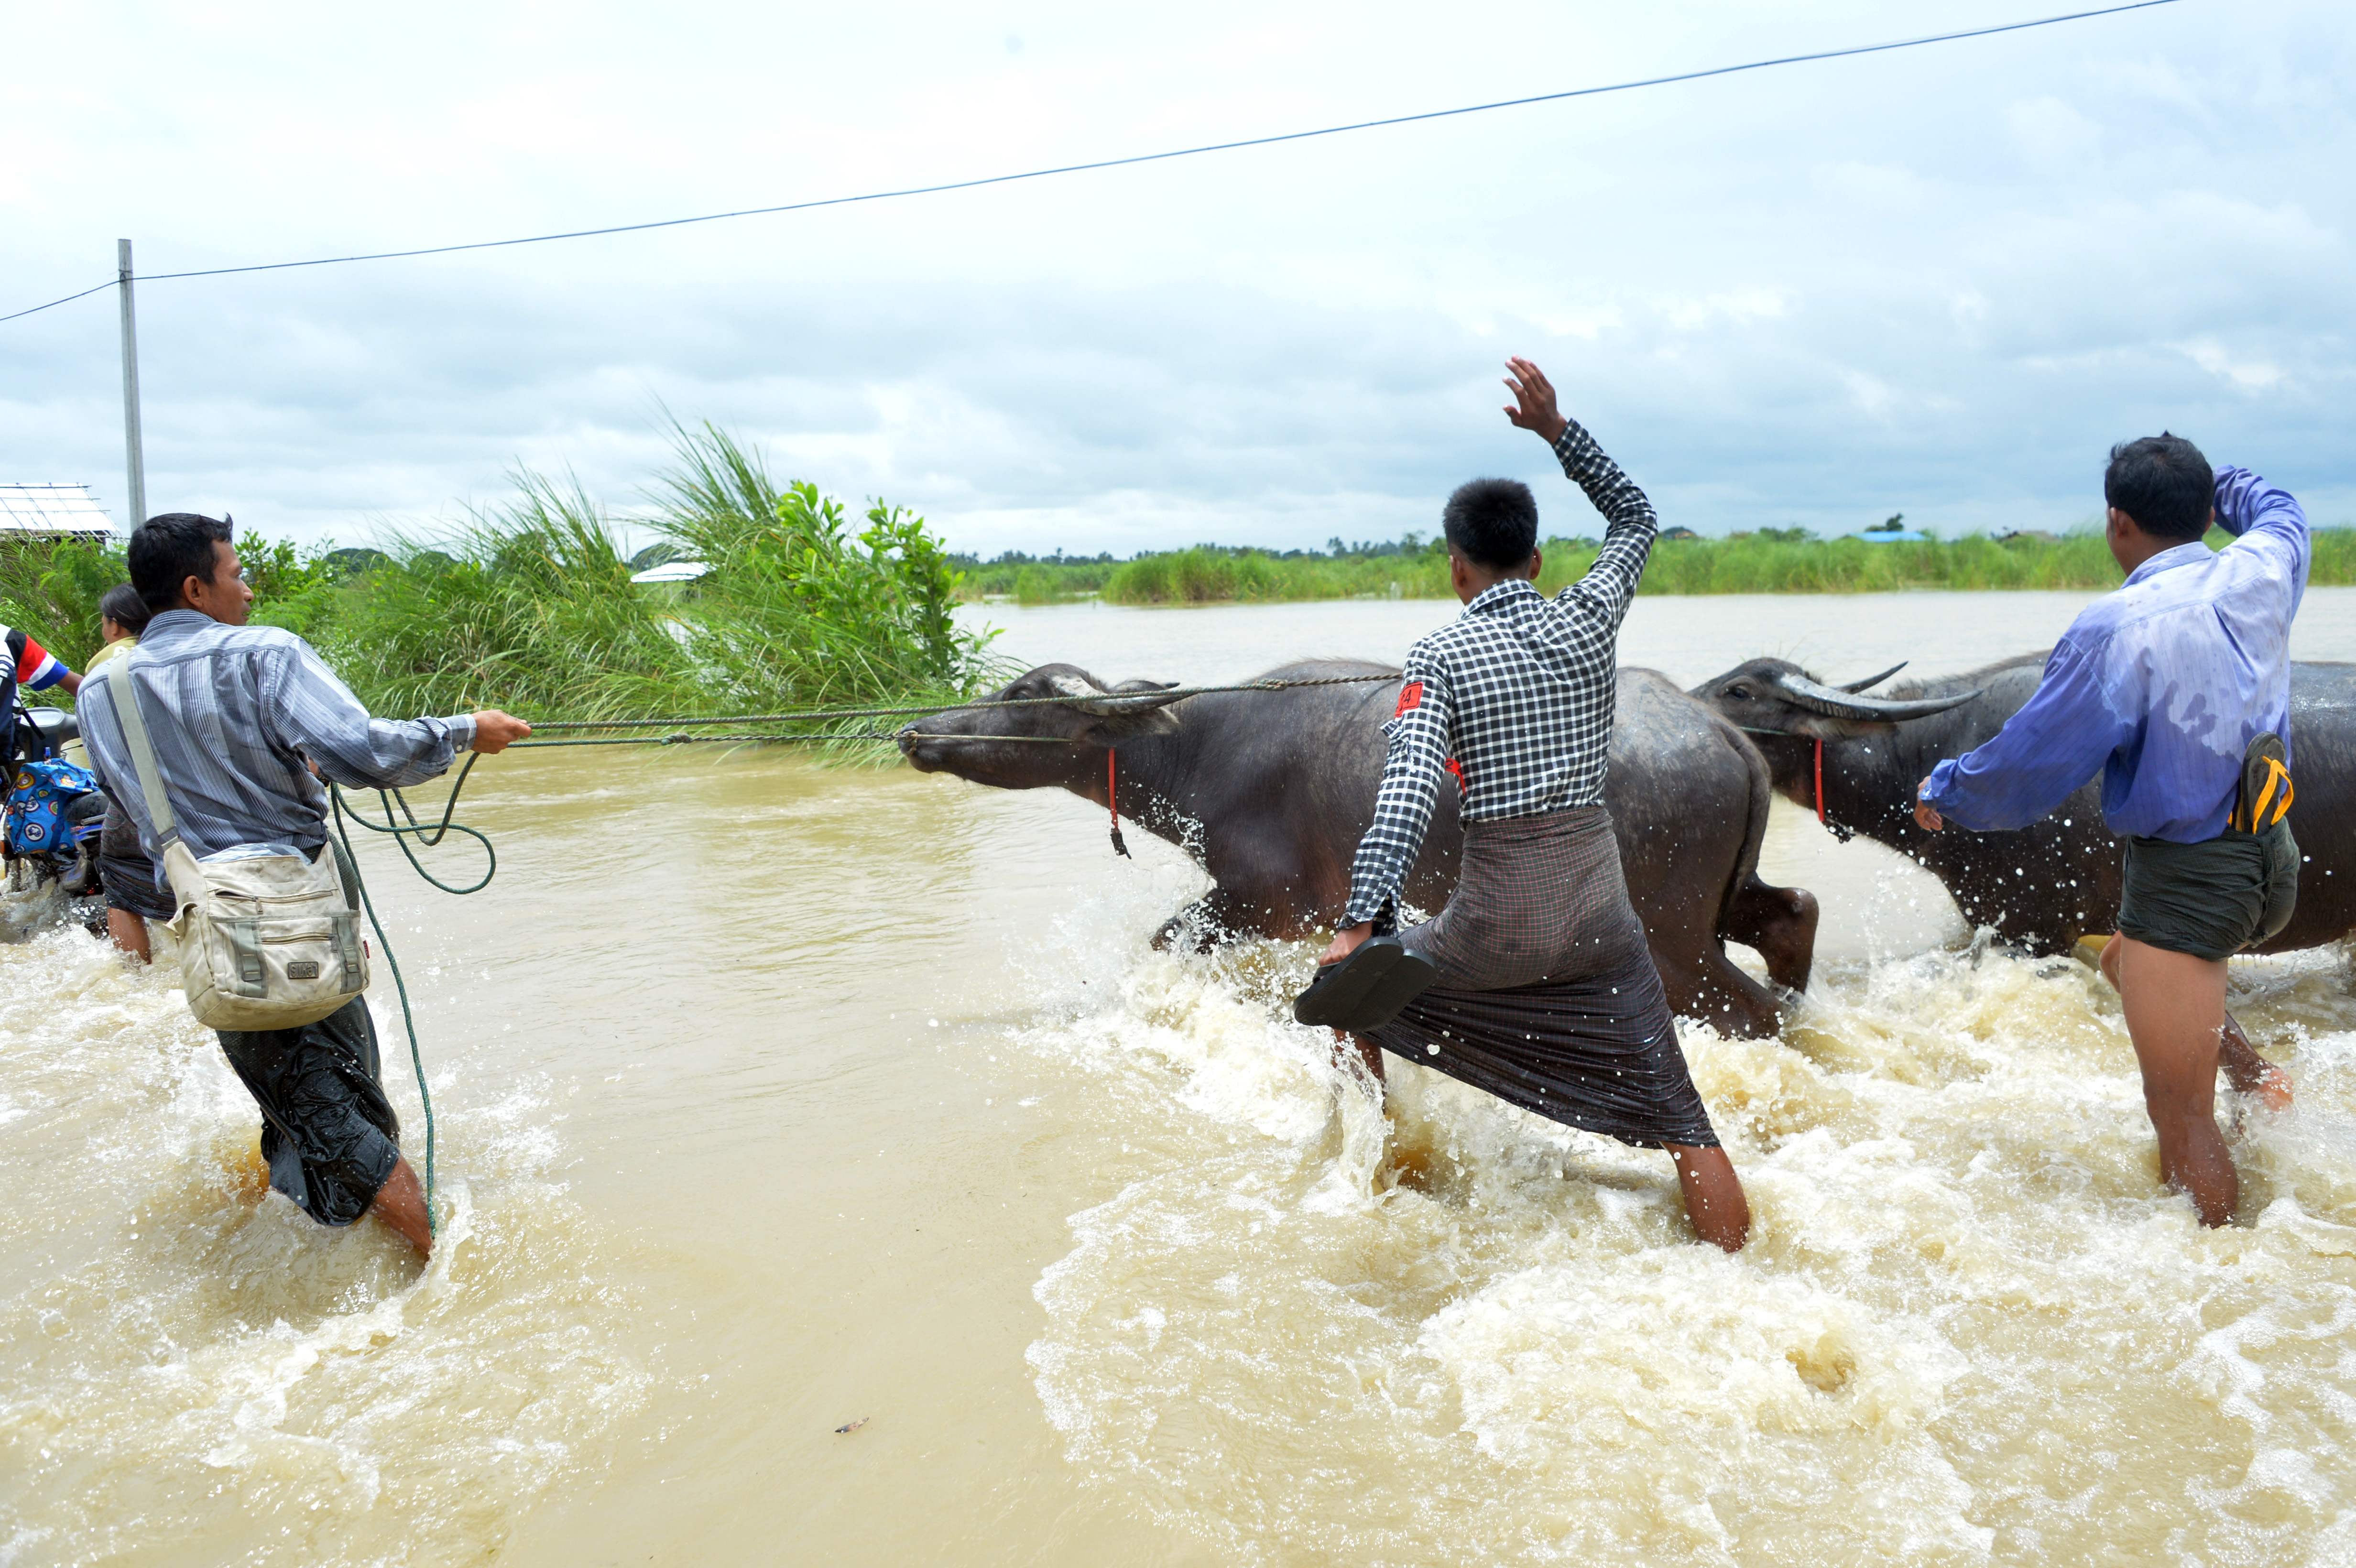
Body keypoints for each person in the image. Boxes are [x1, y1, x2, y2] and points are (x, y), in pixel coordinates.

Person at [1321, 359, 1749, 1252]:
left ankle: (1372, 1182)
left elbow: (1403, 793)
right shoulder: (1589, 616)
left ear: (1455, 570)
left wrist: (1359, 926)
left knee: (1344, 998)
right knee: (1686, 1124)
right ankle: (1744, 1282)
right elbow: (1636, 517)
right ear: (1537, 559)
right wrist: (1557, 429)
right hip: (1601, 923)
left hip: (1491, 931)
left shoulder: (1437, 657)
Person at [78, 513, 532, 1256]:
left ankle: (319, 1244)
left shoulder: (102, 692)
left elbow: (131, 813)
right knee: (342, 1092)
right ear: (195, 588)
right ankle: (447, 1271)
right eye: (235, 574)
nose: (248, 590)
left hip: (216, 917)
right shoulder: (266, 653)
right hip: (308, 895)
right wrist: (464, 730)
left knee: (301, 1095)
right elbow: (360, 750)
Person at [1914, 436, 2308, 1227]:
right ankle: (2257, 1080)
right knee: (2121, 958)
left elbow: (2029, 768)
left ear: (2115, 523)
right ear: (2204, 512)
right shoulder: (2264, 564)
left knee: (2180, 1120)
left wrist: (1945, 792)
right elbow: (2276, 506)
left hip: (2190, 877)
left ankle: (2217, 1276)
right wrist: (2203, 487)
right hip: (2273, 858)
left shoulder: (2113, 629)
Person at [86, 584, 169, 961]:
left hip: (136, 799)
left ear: (115, 626)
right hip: (195, 794)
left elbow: (102, 762)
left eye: (104, 623)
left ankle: (138, 978)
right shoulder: (169, 651)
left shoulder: (104, 666)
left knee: (119, 881)